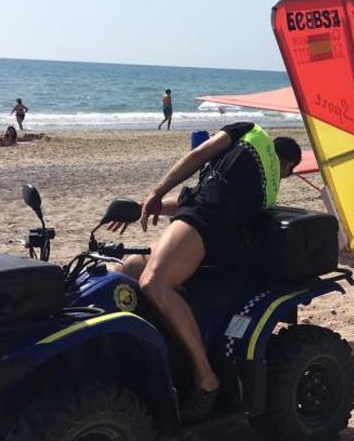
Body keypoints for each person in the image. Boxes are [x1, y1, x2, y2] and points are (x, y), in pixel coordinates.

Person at [108, 122, 301, 422]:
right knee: (129, 267)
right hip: (206, 225)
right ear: (288, 166)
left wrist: (157, 191)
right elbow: (195, 197)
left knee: (154, 283)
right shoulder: (267, 190)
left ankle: (206, 379)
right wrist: (142, 206)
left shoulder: (249, 131)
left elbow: (198, 156)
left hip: (207, 226)